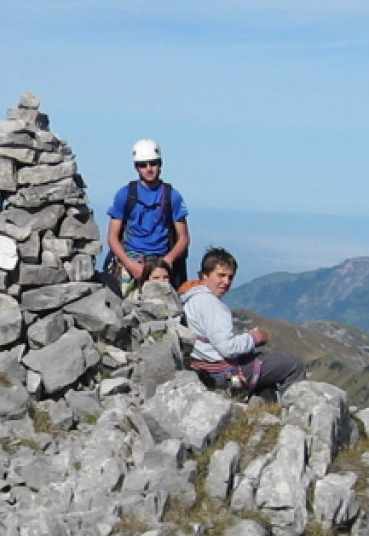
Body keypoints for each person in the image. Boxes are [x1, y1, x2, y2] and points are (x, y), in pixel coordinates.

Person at [179, 246, 305, 399]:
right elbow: (228, 348)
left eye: (230, 277)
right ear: (205, 275)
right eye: (221, 275)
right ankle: (298, 406)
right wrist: (255, 338)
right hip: (223, 373)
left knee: (267, 373)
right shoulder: (212, 305)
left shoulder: (190, 298)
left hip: (203, 368)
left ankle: (265, 406)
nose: (226, 282)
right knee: (293, 365)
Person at [106, 139, 189, 294]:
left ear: (160, 164)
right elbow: (112, 237)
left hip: (160, 261)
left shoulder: (172, 196)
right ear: (136, 167)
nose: (149, 169)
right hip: (131, 260)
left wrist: (166, 262)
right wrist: (130, 265)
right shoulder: (125, 195)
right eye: (143, 165)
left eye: (153, 163)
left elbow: (183, 237)